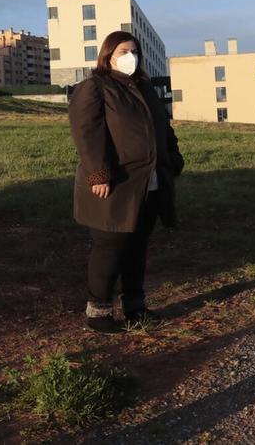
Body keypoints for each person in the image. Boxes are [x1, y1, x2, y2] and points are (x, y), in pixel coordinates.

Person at [70, 31, 184, 334]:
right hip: (114, 185)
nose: (129, 56)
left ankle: (135, 307)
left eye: (134, 51)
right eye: (123, 51)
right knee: (110, 248)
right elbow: (87, 134)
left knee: (137, 248)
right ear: (108, 55)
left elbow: (164, 128)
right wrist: (98, 174)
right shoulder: (94, 87)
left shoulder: (146, 88)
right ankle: (98, 312)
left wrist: (173, 158)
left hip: (150, 182)